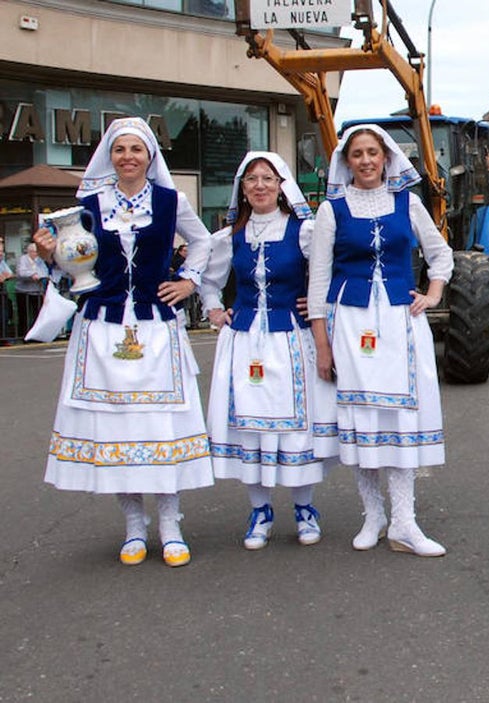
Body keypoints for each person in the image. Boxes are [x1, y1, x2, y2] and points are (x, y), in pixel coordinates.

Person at [34, 117, 213, 567]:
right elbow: (71, 266)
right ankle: (135, 526)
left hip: (155, 327)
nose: (128, 157)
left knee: (159, 427)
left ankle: (170, 523)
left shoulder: (171, 201)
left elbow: (205, 242)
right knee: (117, 427)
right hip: (103, 327)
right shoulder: (87, 206)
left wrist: (188, 281)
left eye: (136, 149)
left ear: (150, 156)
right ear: (109, 157)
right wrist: (46, 253)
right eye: (119, 150)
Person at [308, 124, 451, 557]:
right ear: (346, 161)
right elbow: (318, 279)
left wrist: (433, 293)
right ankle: (374, 515)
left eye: (373, 152)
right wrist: (322, 344)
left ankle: (405, 522)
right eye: (357, 154)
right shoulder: (331, 210)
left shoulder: (407, 203)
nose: (366, 160)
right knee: (363, 418)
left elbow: (439, 252)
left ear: (386, 158)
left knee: (399, 418)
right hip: (349, 323)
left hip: (399, 321)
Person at [200, 152, 339, 550]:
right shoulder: (230, 237)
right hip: (245, 340)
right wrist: (213, 308)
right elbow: (209, 280)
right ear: (242, 189)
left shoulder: (303, 231)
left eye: (268, 178)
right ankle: (259, 510)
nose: (260, 186)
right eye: (252, 180)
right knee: (251, 425)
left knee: (298, 425)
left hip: (290, 339)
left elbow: (329, 272)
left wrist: (317, 304)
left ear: (281, 186)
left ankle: (304, 507)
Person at [15, 242, 49, 336]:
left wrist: (39, 275)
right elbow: (21, 272)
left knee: (38, 313)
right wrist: (32, 274)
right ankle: (24, 335)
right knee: (24, 314)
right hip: (23, 291)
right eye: (34, 252)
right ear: (29, 252)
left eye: (37, 252)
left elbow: (45, 272)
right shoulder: (23, 259)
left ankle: (37, 334)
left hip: (36, 291)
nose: (36, 254)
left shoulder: (39, 260)